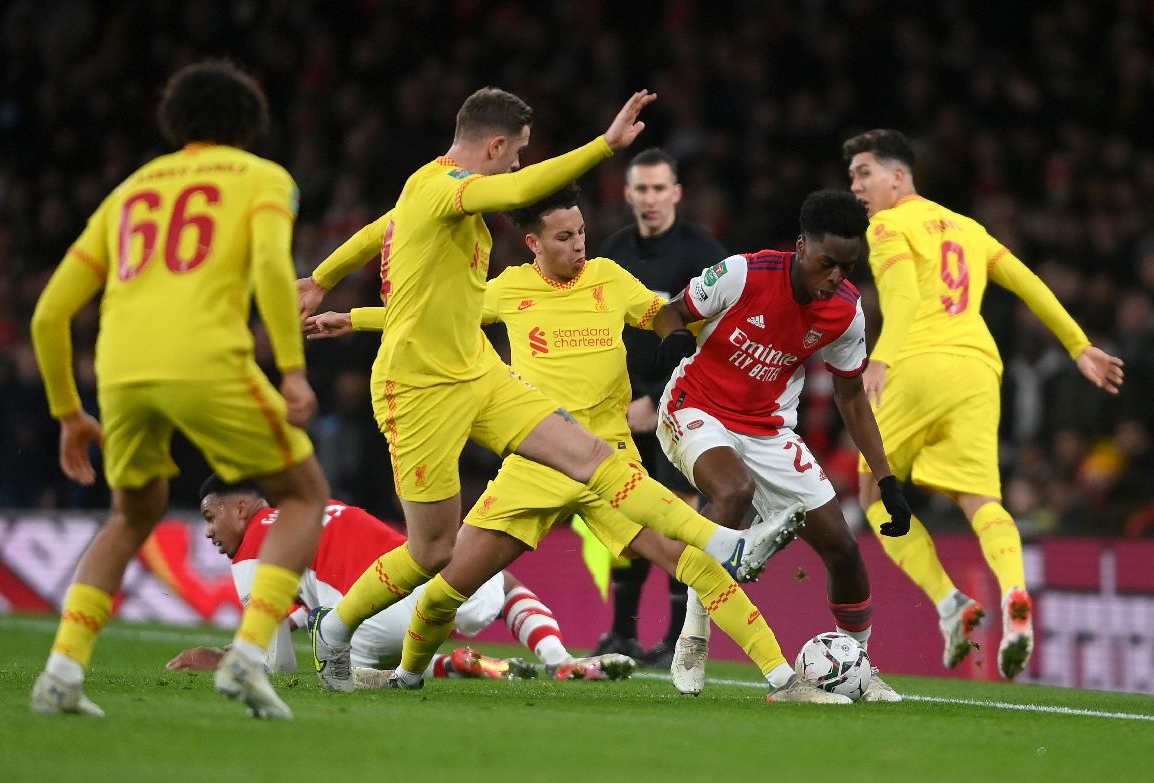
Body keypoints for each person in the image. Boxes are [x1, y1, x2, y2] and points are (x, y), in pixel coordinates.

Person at [295, 87, 795, 692]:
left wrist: (322, 281)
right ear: (496, 144)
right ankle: (342, 632)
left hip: (482, 374)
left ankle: (730, 551)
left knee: (593, 455)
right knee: (432, 554)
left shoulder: (439, 197)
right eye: (519, 153)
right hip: (419, 388)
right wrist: (605, 147)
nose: (519, 165)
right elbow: (511, 194)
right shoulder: (450, 190)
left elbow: (384, 229)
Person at [27, 61, 329, 720]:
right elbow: (274, 269)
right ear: (250, 127)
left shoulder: (129, 191)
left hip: (120, 371)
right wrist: (292, 367)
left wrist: (67, 412)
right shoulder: (263, 178)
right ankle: (249, 660)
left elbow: (49, 313)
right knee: (305, 494)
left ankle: (61, 673)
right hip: (207, 361)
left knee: (131, 512)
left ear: (175, 122)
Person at [843, 129, 1125, 679]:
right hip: (977, 368)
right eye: (852, 176)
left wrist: (882, 356)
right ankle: (1015, 595)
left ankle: (951, 604)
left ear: (898, 177)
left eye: (864, 173)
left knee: (873, 493)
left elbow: (901, 298)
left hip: (918, 363)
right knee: (980, 498)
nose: (855, 186)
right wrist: (1078, 345)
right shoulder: (970, 230)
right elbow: (1028, 282)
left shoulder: (888, 225)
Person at [653, 189, 912, 701]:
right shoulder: (743, 274)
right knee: (735, 492)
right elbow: (670, 311)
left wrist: (887, 479)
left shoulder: (845, 313)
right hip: (694, 407)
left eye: (847, 266)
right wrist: (675, 340)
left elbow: (852, 398)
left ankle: (859, 664)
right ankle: (693, 633)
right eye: (826, 263)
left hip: (768, 429)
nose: (835, 276)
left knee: (842, 547)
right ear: (801, 246)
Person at [167, 476, 620, 682]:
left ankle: (422, 670)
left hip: (361, 622)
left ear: (241, 508)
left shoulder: (253, 548)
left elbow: (280, 668)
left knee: (355, 664)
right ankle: (559, 659)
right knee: (505, 586)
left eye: (211, 517)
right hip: (421, 584)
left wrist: (229, 660)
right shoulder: (313, 509)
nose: (208, 532)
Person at [591, 148, 729, 667]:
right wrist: (625, 394)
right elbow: (602, 330)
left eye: (658, 189)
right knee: (624, 514)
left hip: (683, 406)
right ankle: (622, 632)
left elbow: (714, 337)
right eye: (640, 190)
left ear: (676, 193)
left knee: (677, 516)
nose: (649, 199)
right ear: (627, 194)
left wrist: (655, 393)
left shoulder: (703, 254)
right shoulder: (612, 251)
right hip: (621, 407)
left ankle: (676, 636)